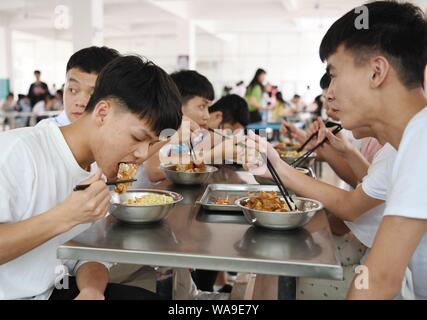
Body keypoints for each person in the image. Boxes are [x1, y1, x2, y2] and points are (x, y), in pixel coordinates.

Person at [0, 55, 182, 300]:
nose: (141, 154)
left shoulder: (99, 166)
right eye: (138, 138)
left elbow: (88, 255)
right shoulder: (16, 152)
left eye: (152, 143)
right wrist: (66, 216)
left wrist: (91, 290)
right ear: (103, 112)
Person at [144, 70, 215, 183]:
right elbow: (155, 171)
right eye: (202, 106)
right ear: (178, 105)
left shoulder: (184, 135)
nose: (207, 116)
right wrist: (214, 154)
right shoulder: (161, 129)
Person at [37, 46, 121, 127]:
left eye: (93, 94)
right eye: (73, 90)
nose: (80, 103)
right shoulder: (44, 134)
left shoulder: (121, 137)